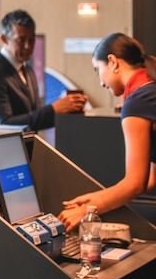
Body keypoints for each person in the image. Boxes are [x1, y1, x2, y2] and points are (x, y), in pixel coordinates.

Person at [58, 33, 156, 229]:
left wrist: (85, 212)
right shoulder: (150, 91)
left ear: (112, 62)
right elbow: (150, 179)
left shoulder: (138, 101)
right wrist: (95, 198)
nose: (101, 83)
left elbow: (135, 183)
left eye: (97, 70)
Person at [0, 9, 87, 128]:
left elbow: (33, 115)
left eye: (31, 40)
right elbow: (4, 124)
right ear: (4, 39)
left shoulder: (27, 70)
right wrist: (54, 109)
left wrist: (65, 108)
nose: (28, 46)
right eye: (21, 40)